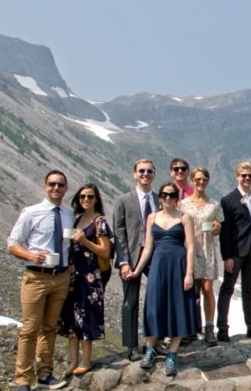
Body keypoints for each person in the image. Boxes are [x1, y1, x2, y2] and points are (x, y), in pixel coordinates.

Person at [6, 170, 75, 391]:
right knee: (30, 329)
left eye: (60, 185)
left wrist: (69, 265)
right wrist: (31, 255)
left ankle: (45, 373)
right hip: (36, 276)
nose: (56, 188)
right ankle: (23, 381)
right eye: (52, 184)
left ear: (66, 189)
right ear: (45, 187)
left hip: (61, 276)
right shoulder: (31, 213)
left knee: (49, 327)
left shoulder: (68, 213)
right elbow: (12, 243)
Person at [127, 183, 197, 376]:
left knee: (177, 306)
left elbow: (190, 246)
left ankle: (172, 354)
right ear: (160, 197)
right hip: (158, 265)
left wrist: (189, 273)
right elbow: (148, 247)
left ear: (177, 197)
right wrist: (137, 270)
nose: (168, 198)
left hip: (178, 265)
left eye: (171, 194)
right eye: (164, 194)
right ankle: (150, 348)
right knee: (154, 306)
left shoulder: (185, 217)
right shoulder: (152, 218)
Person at [57, 183, 112, 375]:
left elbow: (105, 251)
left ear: (96, 199)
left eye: (89, 196)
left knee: (86, 314)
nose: (86, 200)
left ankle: (86, 359)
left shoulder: (100, 222)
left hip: (90, 275)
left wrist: (84, 241)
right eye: (82, 197)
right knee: (72, 316)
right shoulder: (76, 219)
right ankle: (73, 361)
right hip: (73, 275)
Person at [112, 158, 159, 361]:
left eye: (149, 171)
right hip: (131, 255)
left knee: (157, 299)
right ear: (134, 173)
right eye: (141, 171)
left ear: (154, 174)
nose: (145, 174)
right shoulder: (123, 200)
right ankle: (131, 346)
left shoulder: (160, 199)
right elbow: (118, 231)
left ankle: (155, 342)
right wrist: (122, 261)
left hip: (156, 254)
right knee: (130, 301)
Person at [219, 161, 251, 340]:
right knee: (227, 288)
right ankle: (222, 328)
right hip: (236, 251)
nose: (247, 178)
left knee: (248, 289)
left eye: (250, 176)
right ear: (237, 176)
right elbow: (225, 231)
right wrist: (227, 256)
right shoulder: (228, 200)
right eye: (243, 175)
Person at [179, 167, 225, 346]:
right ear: (192, 181)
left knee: (207, 289)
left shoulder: (214, 205)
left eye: (204, 179)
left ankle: (209, 328)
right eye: (197, 179)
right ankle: (188, 329)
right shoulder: (182, 204)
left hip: (207, 249)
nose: (200, 182)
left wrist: (217, 229)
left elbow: (218, 226)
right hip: (188, 249)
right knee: (190, 291)